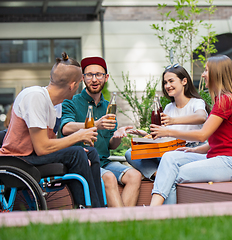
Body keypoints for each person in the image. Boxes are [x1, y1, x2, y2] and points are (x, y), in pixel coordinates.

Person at [0, 52, 105, 208]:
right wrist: (77, 137)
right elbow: (42, 148)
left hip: (33, 155)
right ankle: (85, 210)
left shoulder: (57, 105)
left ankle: (98, 208)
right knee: (76, 153)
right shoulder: (35, 97)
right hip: (17, 159)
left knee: (89, 152)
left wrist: (79, 142)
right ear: (73, 85)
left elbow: (50, 144)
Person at [149, 55, 232, 206]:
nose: (203, 74)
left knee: (171, 175)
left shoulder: (225, 100)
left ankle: (161, 215)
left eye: (206, 70)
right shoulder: (221, 100)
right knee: (170, 157)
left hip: (231, 163)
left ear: (217, 73)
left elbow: (202, 135)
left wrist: (168, 131)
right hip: (217, 157)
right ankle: (154, 211)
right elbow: (222, 139)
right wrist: (196, 151)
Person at [60, 56, 142, 207]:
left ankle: (117, 221)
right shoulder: (71, 102)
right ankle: (123, 224)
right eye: (89, 75)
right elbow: (66, 128)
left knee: (134, 175)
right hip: (84, 163)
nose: (94, 79)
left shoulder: (109, 107)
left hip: (105, 162)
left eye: (99, 74)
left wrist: (117, 136)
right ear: (83, 78)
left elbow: (111, 145)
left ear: (106, 77)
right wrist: (95, 124)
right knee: (109, 177)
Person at [125, 63, 210, 182]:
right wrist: (146, 136)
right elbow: (164, 136)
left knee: (167, 158)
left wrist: (173, 120)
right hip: (172, 150)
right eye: (165, 83)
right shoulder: (169, 107)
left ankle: (164, 176)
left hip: (192, 150)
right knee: (130, 153)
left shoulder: (196, 103)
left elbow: (201, 117)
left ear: (184, 81)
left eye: (171, 81)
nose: (167, 85)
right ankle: (158, 175)